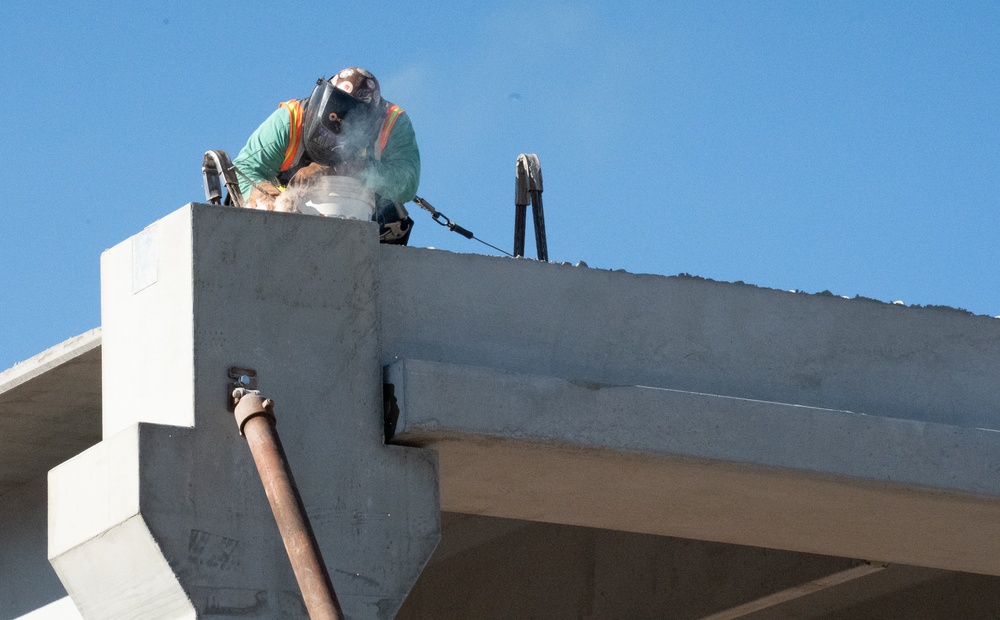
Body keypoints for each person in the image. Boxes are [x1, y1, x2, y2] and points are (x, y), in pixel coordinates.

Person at [233, 67, 419, 244]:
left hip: (363, 229)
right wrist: (267, 198)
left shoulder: (392, 124)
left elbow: (407, 183)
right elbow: (244, 168)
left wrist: (341, 169)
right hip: (280, 230)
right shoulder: (290, 121)